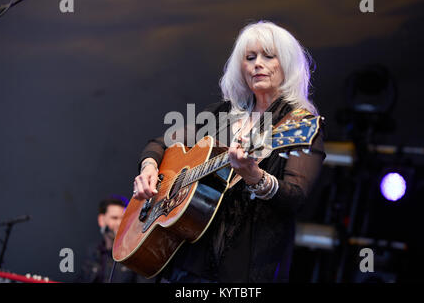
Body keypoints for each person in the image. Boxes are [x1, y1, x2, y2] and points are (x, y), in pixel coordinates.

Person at [133, 21, 326, 283]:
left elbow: (296, 197)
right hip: (186, 261)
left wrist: (254, 176)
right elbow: (160, 143)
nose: (258, 63)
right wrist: (149, 168)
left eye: (269, 56)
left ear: (288, 65)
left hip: (245, 269)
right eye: (250, 57)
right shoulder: (221, 114)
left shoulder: (298, 126)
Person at [79, 197, 151, 283]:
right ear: (101, 220)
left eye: (123, 218)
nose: (120, 223)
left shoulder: (134, 255)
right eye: (114, 218)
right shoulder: (94, 252)